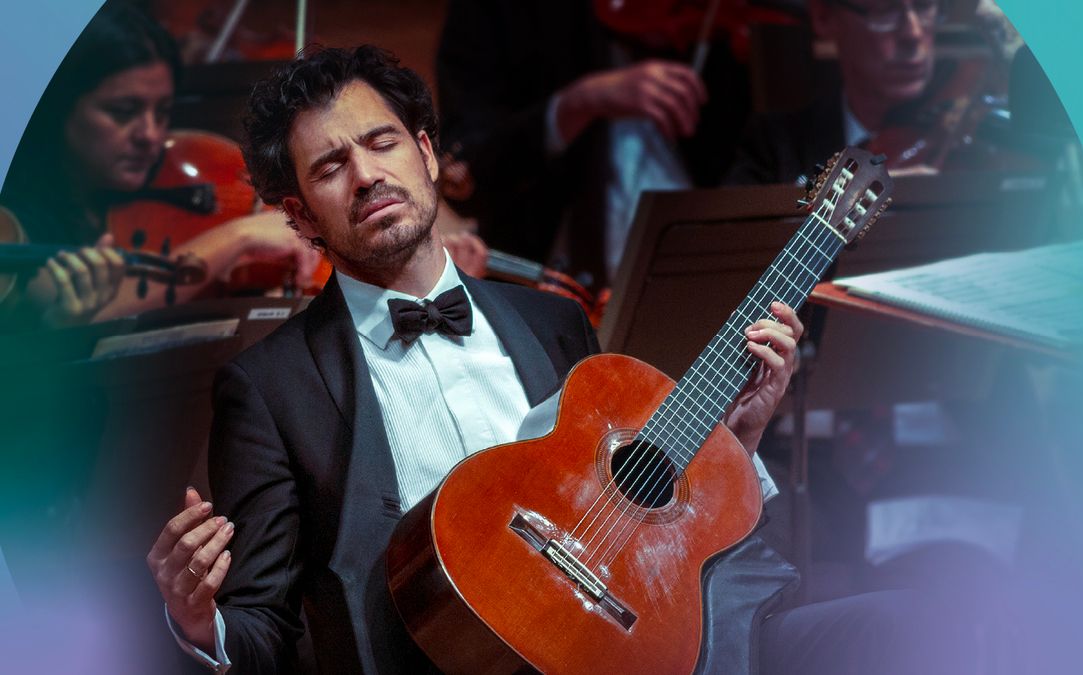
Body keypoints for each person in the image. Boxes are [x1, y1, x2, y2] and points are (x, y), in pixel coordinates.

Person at [142, 44, 984, 675]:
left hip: (649, 639)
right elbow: (261, 626)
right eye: (332, 166)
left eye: (381, 142)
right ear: (299, 216)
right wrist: (196, 622)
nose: (367, 175)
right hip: (449, 659)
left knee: (924, 621)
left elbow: (650, 519)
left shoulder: (553, 321)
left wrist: (741, 438)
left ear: (426, 153)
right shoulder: (271, 387)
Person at [0, 3, 318, 330]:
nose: (151, 135)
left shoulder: (168, 176)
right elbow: (73, 303)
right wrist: (239, 235)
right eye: (123, 111)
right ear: (59, 107)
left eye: (163, 112)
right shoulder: (16, 220)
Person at [437, 0, 756, 290]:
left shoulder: (723, 27)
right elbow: (464, 178)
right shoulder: (502, 13)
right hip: (547, 290)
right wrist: (575, 105)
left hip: (713, 280)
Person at [724, 0, 944, 185]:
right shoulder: (773, 145)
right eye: (884, 10)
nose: (913, 33)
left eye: (924, 6)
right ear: (824, 17)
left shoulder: (954, 136)